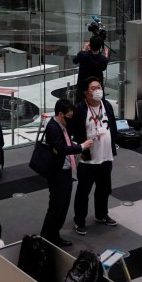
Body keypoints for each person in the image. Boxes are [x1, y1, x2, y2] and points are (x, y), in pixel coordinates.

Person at [39, 99, 93, 248]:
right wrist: (81, 147)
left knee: (63, 206)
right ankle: (47, 237)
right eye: (68, 116)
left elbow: (65, 146)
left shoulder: (63, 126)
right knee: (56, 206)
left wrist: (74, 148)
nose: (71, 119)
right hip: (57, 173)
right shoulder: (52, 127)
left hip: (66, 170)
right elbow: (61, 148)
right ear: (60, 113)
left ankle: (53, 235)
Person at [69, 77, 118, 236]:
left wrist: (114, 145)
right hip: (88, 159)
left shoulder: (107, 105)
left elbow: (113, 127)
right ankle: (80, 221)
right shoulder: (80, 108)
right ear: (86, 92)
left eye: (99, 87)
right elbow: (74, 131)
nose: (98, 90)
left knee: (104, 188)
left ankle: (102, 214)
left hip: (106, 156)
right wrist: (80, 148)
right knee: (84, 191)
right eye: (94, 88)